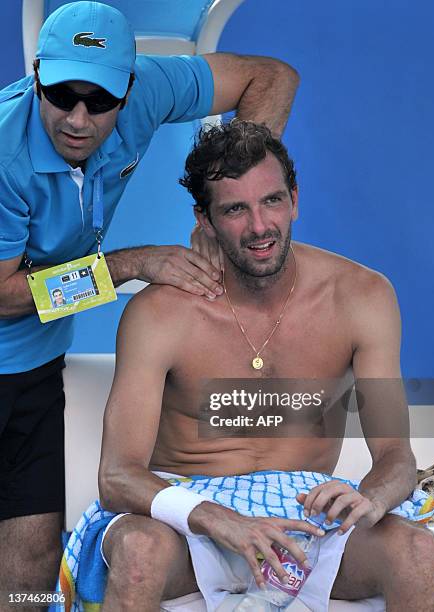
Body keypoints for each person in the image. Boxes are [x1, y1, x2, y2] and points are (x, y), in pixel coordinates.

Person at [69, 120, 434, 612]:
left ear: (294, 198)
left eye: (271, 201)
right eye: (234, 210)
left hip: (309, 520)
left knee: (416, 552)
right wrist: (215, 517)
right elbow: (117, 477)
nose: (259, 226)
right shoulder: (161, 313)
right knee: (138, 552)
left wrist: (371, 499)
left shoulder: (361, 297)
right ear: (204, 219)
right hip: (187, 519)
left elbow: (396, 457)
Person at [0, 1, 300, 599]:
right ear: (35, 75)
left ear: (130, 88)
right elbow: (4, 298)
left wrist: (227, 199)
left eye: (101, 101)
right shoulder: (5, 153)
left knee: (29, 582)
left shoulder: (152, 89)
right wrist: (131, 265)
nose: (78, 119)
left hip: (32, 366)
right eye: (60, 95)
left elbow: (273, 77)